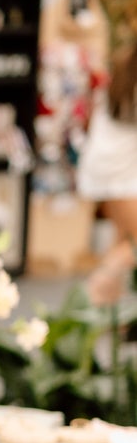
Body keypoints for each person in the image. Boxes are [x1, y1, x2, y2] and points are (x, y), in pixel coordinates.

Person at [78, 41, 137, 304]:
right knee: (133, 245)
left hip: (106, 169)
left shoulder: (122, 73)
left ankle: (107, 310)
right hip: (123, 173)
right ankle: (89, 299)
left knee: (122, 240)